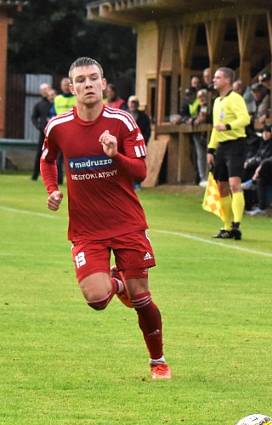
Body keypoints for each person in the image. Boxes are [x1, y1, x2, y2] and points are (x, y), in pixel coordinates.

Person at [39, 56, 170, 380]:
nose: (87, 84)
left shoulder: (123, 122)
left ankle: (158, 362)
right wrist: (53, 189)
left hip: (127, 223)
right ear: (71, 87)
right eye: (80, 79)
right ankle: (117, 282)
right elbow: (47, 160)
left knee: (141, 299)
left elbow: (141, 171)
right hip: (86, 230)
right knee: (97, 298)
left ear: (103, 84)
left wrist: (116, 155)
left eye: (93, 78)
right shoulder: (58, 126)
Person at [207, 67, 251, 240]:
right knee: (222, 186)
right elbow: (215, 128)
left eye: (217, 77)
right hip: (222, 147)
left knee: (234, 183)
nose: (214, 80)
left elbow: (245, 119)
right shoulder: (217, 101)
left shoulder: (236, 98)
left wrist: (228, 126)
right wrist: (211, 149)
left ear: (227, 80)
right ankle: (226, 226)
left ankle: (237, 225)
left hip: (236, 144)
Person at [31, 82, 53, 181]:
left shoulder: (55, 102)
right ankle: (35, 175)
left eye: (47, 89)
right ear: (41, 92)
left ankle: (58, 177)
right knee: (39, 153)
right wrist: (38, 126)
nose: (45, 91)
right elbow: (34, 117)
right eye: (43, 90)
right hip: (43, 132)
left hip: (55, 132)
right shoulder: (39, 105)